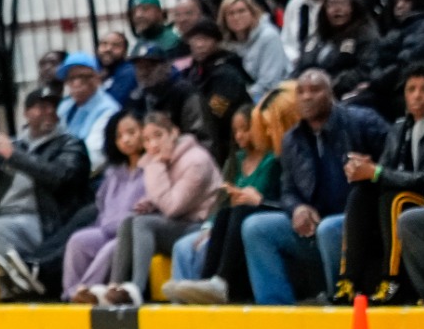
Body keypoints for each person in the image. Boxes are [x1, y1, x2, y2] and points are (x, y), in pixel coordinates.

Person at [244, 70, 388, 305]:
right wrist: (298, 208)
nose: (307, 97)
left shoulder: (363, 122)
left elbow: (394, 170)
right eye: (301, 91)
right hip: (318, 223)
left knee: (330, 229)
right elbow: (288, 190)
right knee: (255, 227)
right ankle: (276, 311)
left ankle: (340, 302)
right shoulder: (292, 139)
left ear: (330, 94)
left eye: (315, 90)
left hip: (363, 224)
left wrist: (372, 174)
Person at [0, 90, 92, 301]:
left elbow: (59, 177)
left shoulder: (70, 144)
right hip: (6, 219)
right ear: (26, 113)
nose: (48, 112)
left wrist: (15, 157)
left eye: (52, 106)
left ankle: (14, 296)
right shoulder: (13, 146)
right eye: (40, 107)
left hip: (43, 222)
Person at [162, 89, 292, 304]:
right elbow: (219, 202)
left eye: (248, 129)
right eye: (236, 131)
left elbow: (282, 197)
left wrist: (259, 201)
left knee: (241, 215)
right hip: (230, 221)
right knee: (215, 222)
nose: (241, 136)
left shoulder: (274, 160)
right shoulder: (236, 159)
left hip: (265, 215)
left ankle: (221, 282)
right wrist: (208, 226)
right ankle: (205, 285)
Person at [92, 112, 217, 305]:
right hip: (180, 223)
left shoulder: (195, 161)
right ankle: (114, 287)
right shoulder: (164, 158)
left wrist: (156, 165)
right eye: (147, 140)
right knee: (129, 221)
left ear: (174, 133)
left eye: (158, 135)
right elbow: (165, 196)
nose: (153, 145)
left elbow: (172, 207)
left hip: (201, 226)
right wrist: (150, 203)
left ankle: (136, 289)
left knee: (143, 224)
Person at [336, 62, 424, 303]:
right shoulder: (398, 128)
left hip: (421, 197)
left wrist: (376, 172)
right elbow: (384, 171)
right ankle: (348, 281)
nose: (417, 96)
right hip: (401, 195)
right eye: (411, 89)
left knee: (394, 198)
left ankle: (392, 280)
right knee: (362, 192)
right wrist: (362, 167)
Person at [63, 113, 147, 302]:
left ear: (143, 132)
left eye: (131, 132)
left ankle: (86, 292)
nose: (126, 140)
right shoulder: (113, 172)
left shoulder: (153, 168)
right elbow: (102, 204)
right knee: (78, 240)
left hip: (129, 234)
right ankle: (70, 293)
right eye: (119, 136)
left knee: (111, 248)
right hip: (105, 228)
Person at [181, 19, 253, 162]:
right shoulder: (192, 71)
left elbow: (217, 110)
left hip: (229, 142)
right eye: (195, 39)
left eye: (205, 39)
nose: (199, 44)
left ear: (217, 42)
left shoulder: (227, 73)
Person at [218, 0, 291, 100]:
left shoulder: (269, 36)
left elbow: (269, 83)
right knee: (216, 109)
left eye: (241, 11)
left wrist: (239, 98)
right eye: (230, 14)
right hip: (242, 97)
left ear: (253, 12)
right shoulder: (226, 45)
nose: (236, 17)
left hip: (273, 97)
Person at [56, 52, 119, 174]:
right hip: (62, 172)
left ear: (96, 78)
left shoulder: (108, 110)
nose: (76, 83)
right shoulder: (65, 106)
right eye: (71, 78)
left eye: (83, 77)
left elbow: (95, 158)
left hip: (92, 177)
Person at [98, 29, 136, 105]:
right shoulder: (99, 70)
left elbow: (113, 105)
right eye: (104, 44)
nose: (108, 49)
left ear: (125, 51)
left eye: (116, 45)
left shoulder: (128, 72)